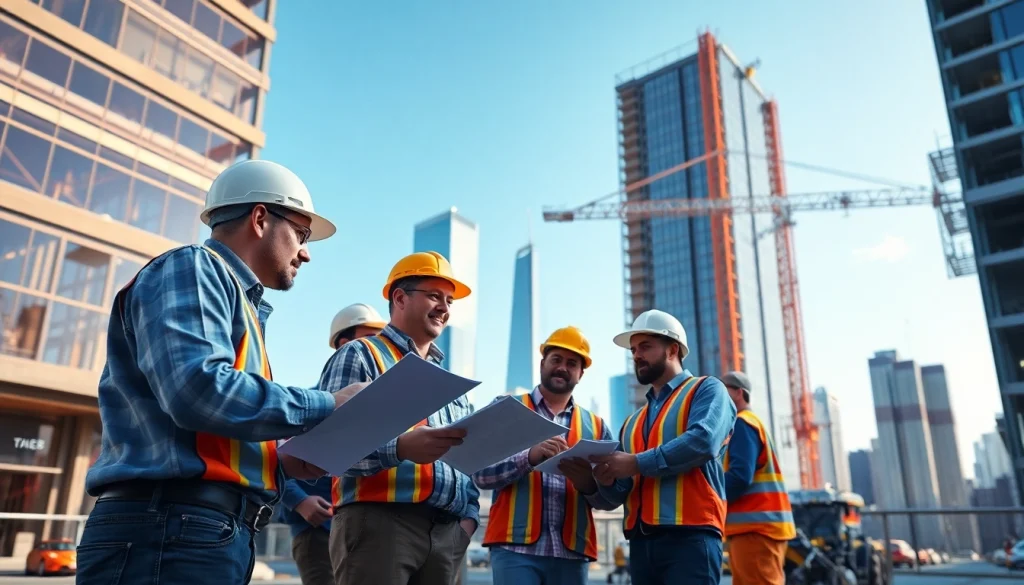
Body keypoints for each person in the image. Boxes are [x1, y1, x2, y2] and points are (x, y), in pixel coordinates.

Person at [76, 160, 364, 585]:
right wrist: (329, 405)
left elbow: (206, 424)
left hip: (196, 529)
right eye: (301, 235)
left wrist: (278, 461)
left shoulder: (239, 302)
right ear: (260, 218)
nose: (305, 252)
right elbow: (198, 390)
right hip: (170, 527)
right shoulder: (191, 268)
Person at [320, 251, 479, 585]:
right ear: (400, 298)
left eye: (449, 300)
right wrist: (400, 449)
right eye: (435, 296)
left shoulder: (451, 383)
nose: (445, 308)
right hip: (379, 526)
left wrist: (468, 519)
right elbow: (329, 448)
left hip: (447, 533)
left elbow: (471, 460)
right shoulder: (361, 355)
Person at [590, 309, 737, 585]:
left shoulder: (707, 390)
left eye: (645, 346)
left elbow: (702, 441)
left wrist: (635, 463)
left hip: (692, 536)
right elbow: (619, 494)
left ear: (672, 350)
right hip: (641, 544)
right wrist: (598, 481)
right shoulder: (632, 422)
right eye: (633, 349)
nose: (636, 355)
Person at [473, 326, 620, 585]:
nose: (563, 367)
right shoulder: (508, 409)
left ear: (581, 373)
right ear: (542, 363)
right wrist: (529, 457)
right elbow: (480, 474)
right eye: (556, 359)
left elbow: (610, 500)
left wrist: (588, 484)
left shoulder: (597, 427)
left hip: (572, 554)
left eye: (572, 363)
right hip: (514, 550)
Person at [280, 304, 387, 585]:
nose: (382, 347)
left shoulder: (386, 412)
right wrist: (300, 502)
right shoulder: (310, 403)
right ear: (345, 344)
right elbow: (272, 459)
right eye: (372, 337)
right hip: (316, 530)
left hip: (366, 527)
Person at [720, 371, 795, 585]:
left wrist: (707, 494)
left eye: (722, 391)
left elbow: (740, 477)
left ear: (738, 393)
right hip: (758, 530)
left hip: (755, 530)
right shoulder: (750, 423)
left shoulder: (743, 423)